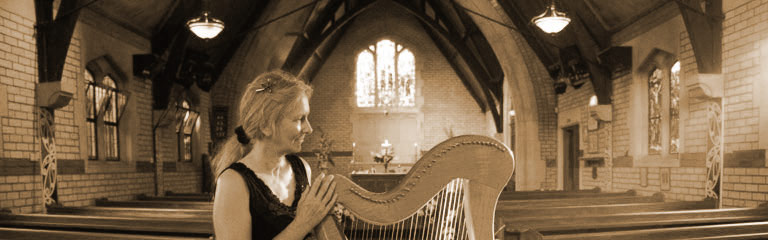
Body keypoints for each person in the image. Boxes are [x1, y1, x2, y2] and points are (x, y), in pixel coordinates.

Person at [212, 70, 337, 239]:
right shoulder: (233, 182)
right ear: (266, 125)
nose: (309, 128)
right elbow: (302, 226)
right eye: (299, 119)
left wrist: (324, 217)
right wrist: (304, 222)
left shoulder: (301, 168)